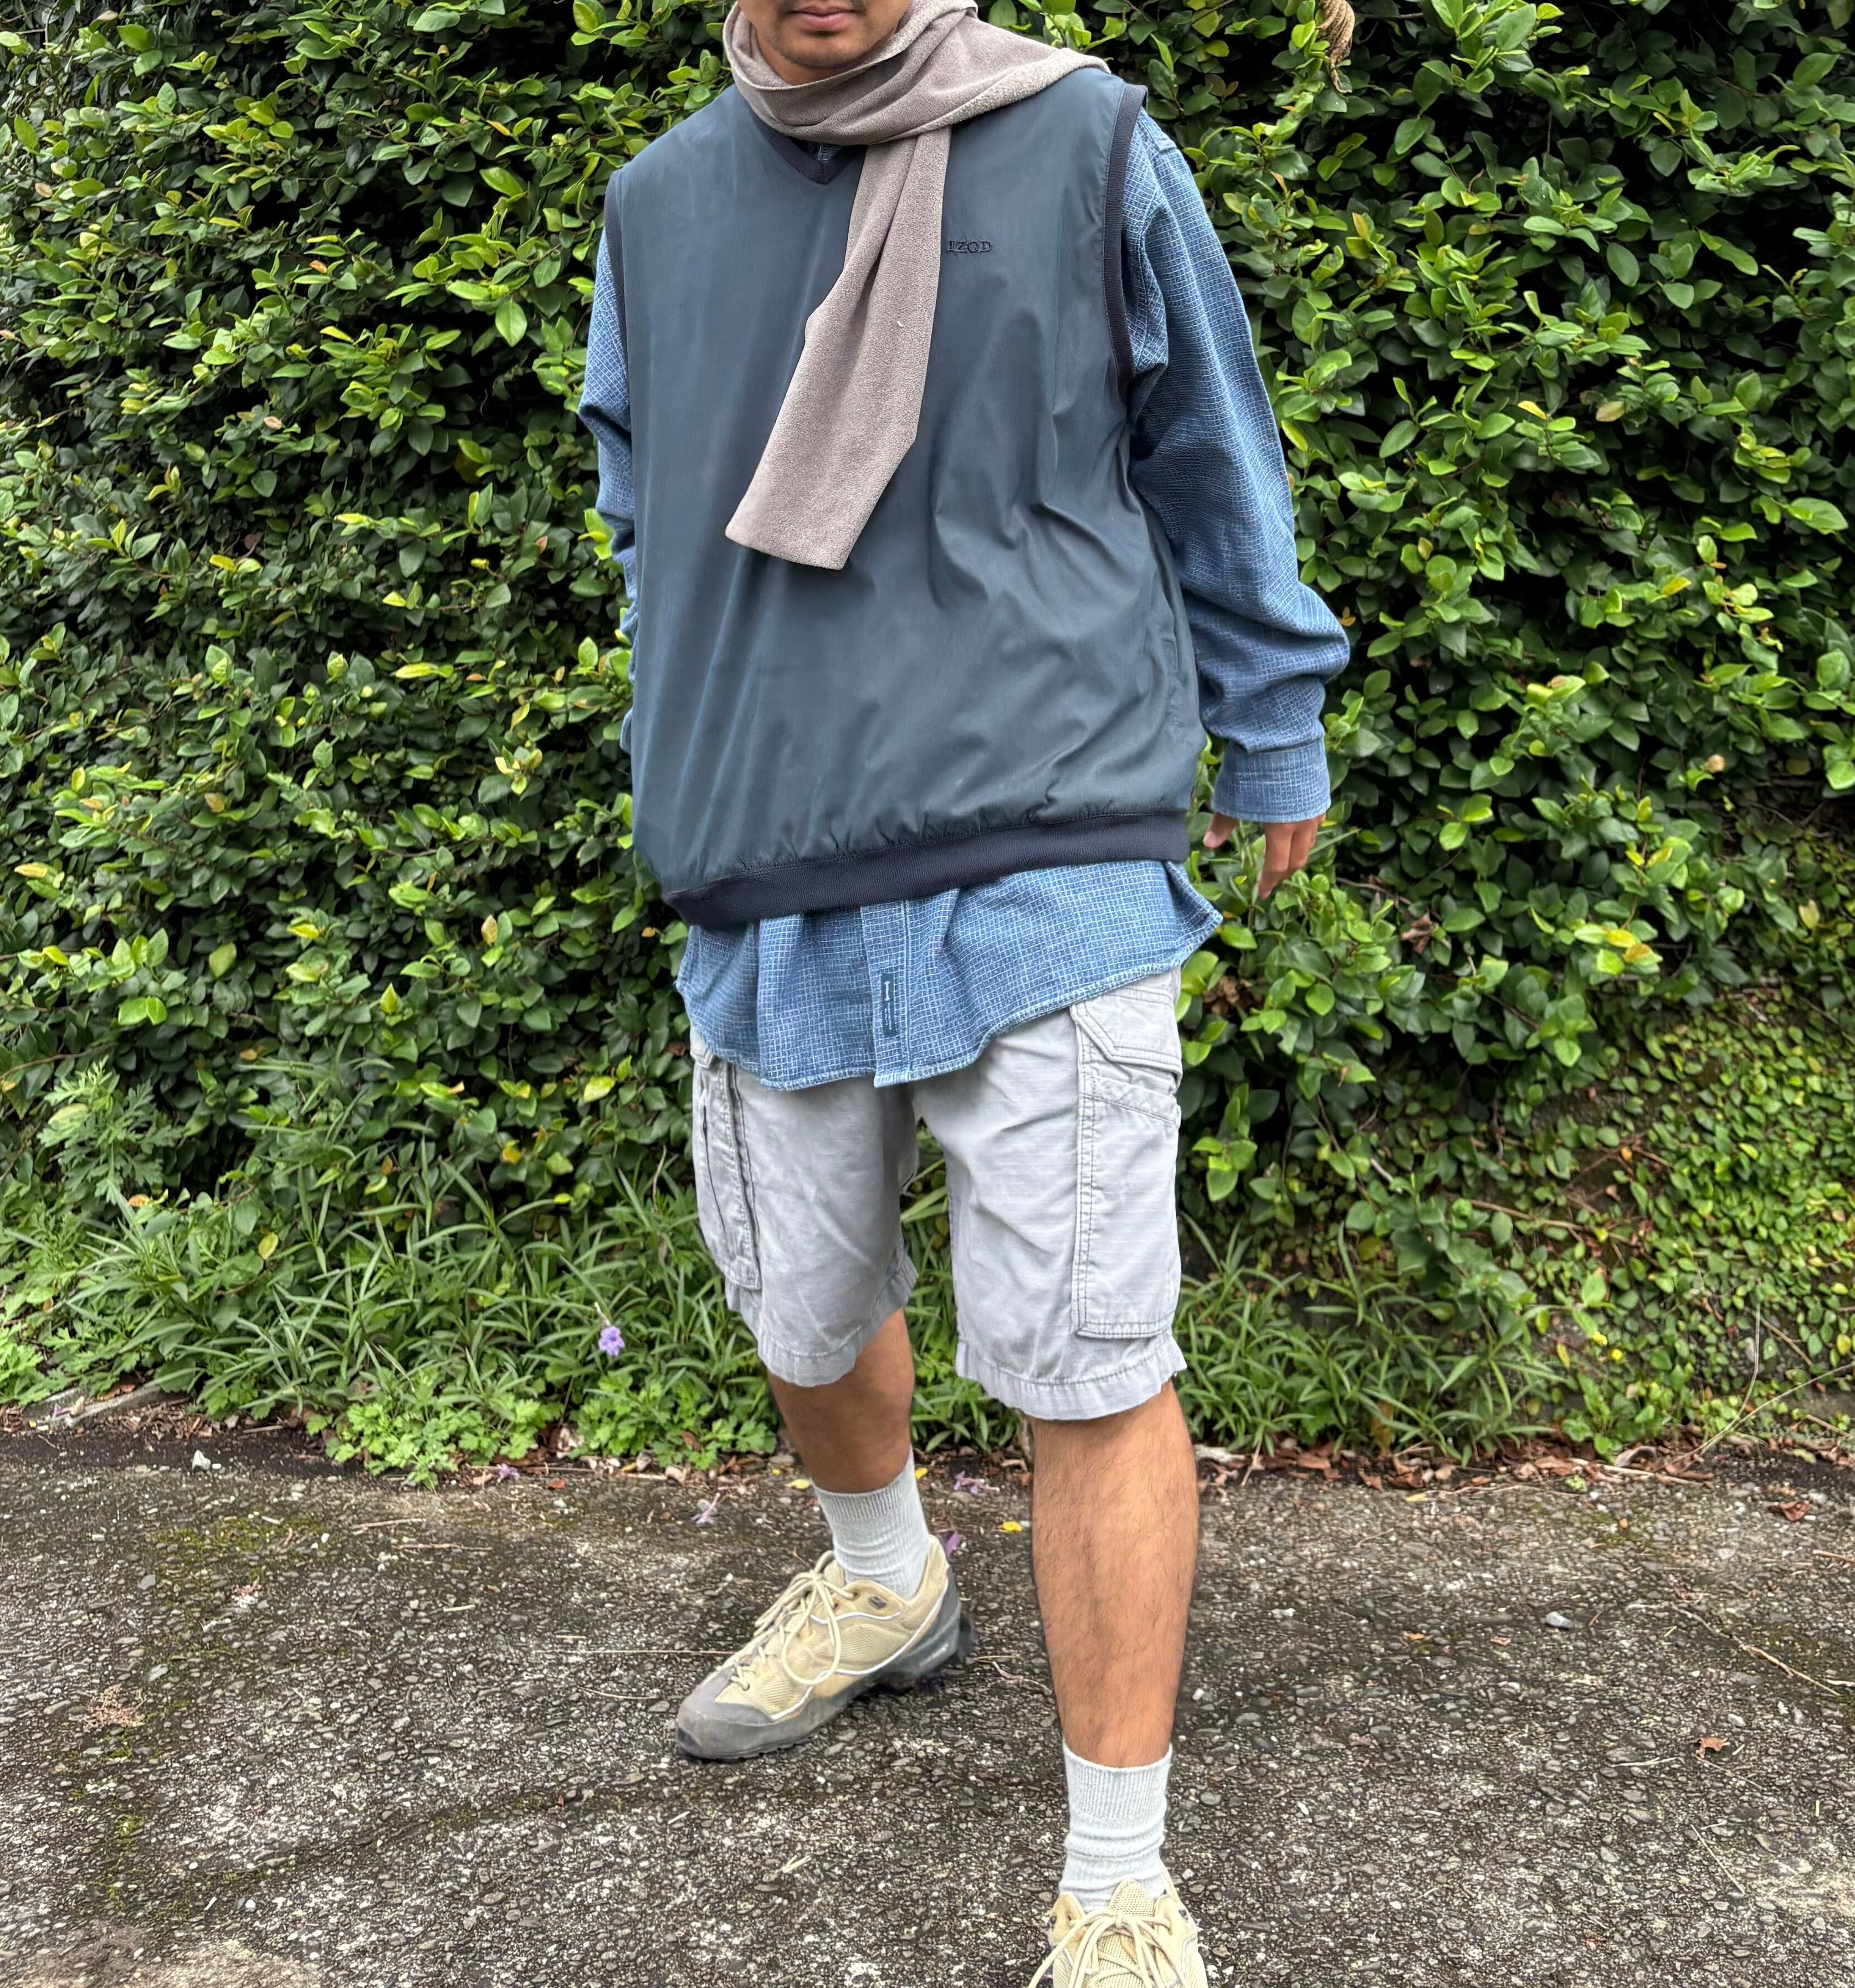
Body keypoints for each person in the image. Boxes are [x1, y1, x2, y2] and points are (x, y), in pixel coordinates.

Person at [577, 0, 1348, 1977]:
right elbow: (645, 515)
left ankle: (1118, 1875)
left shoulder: (1083, 140)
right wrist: (697, 753)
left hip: (1049, 833)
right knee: (801, 1308)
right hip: (767, 852)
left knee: (1089, 1355)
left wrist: (1272, 718)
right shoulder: (658, 205)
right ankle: (886, 1581)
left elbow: (1211, 443)